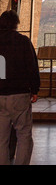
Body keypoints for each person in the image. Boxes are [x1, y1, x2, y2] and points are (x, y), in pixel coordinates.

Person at [0, 10, 40, 165]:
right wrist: (35, 89)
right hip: (19, 94)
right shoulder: (23, 41)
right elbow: (32, 67)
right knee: (23, 135)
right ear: (16, 24)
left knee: (1, 139)